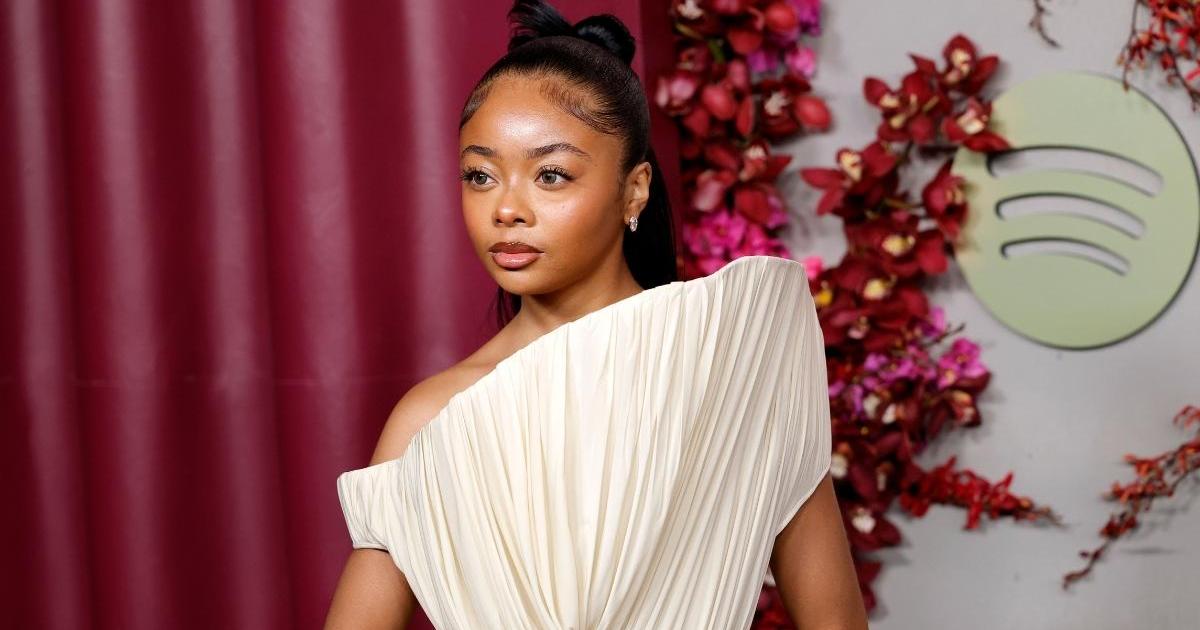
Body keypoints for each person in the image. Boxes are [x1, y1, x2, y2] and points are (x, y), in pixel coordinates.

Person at [324, 1, 867, 627]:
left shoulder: (734, 368)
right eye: (480, 176)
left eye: (551, 175)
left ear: (634, 190)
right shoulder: (432, 418)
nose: (506, 209)